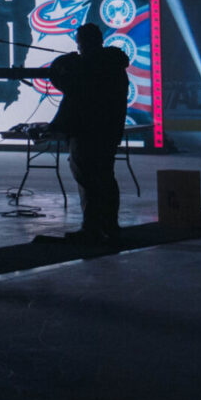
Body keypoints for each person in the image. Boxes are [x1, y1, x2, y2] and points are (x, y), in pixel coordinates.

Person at [47, 23, 131, 243]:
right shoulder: (113, 64)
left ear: (82, 42)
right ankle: (109, 225)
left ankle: (92, 227)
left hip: (87, 132)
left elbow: (72, 88)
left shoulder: (90, 67)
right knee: (105, 176)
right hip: (110, 130)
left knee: (88, 179)